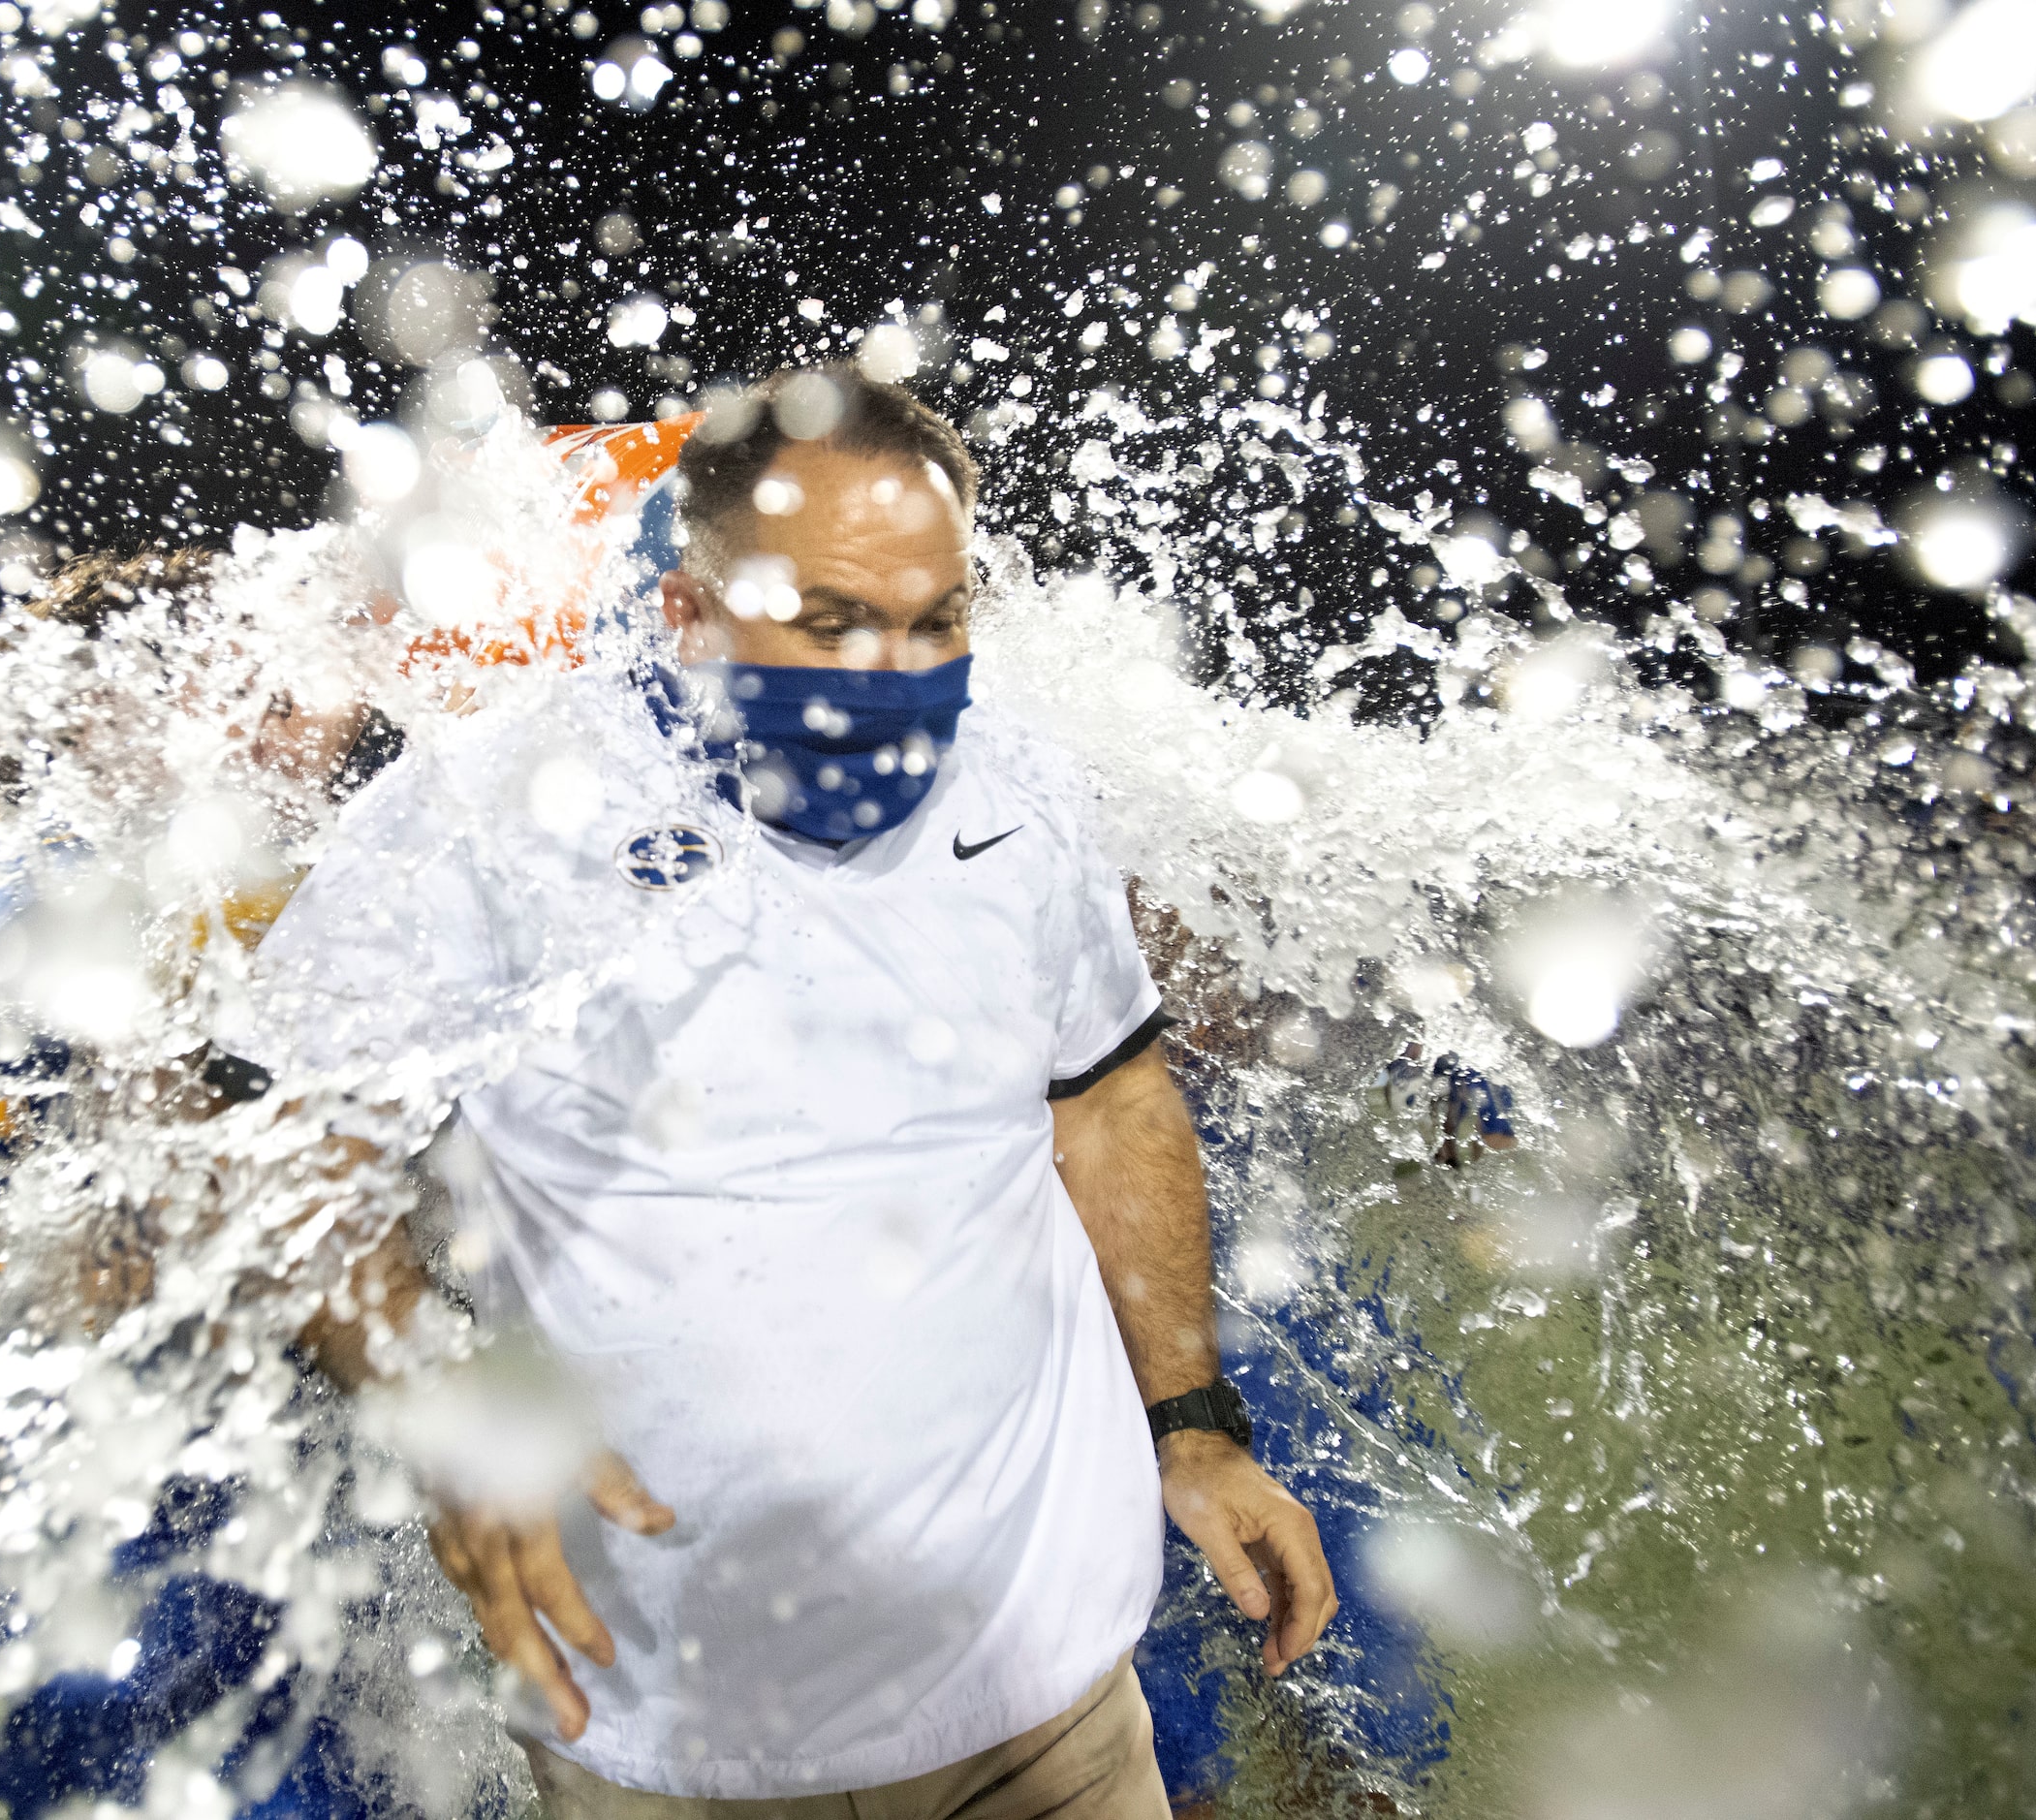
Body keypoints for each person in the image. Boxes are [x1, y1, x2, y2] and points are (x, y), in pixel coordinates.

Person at [253, 369, 1336, 1815]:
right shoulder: (476, 820)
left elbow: (1108, 1096)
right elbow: (286, 1161)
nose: (895, 676)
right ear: (686, 614)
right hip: (663, 1734)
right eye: (831, 622)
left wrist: (1192, 1422)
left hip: (1046, 1705)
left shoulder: (1019, 788)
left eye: (934, 619)